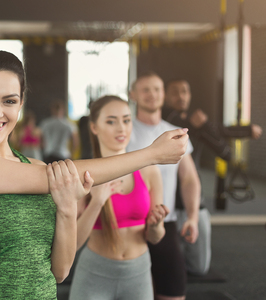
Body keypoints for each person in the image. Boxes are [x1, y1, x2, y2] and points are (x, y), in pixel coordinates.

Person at [0, 48, 189, 299]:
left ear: (20, 103)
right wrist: (151, 154)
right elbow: (61, 175)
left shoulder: (38, 167)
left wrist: (66, 208)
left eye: (8, 101)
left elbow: (60, 271)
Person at [69, 95, 169, 300]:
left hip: (138, 273)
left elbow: (155, 237)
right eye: (111, 121)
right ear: (94, 127)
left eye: (126, 120)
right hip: (95, 273)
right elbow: (72, 244)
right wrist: (97, 202)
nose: (121, 128)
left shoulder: (149, 171)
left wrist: (156, 224)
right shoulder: (83, 173)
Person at [164, 79, 263, 276]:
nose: (181, 96)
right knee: (166, 266)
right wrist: (205, 125)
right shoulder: (162, 121)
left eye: (185, 91)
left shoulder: (193, 124)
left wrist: (245, 130)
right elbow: (190, 126)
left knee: (200, 268)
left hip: (193, 201)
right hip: (167, 202)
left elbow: (221, 133)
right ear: (165, 96)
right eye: (175, 92)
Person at [127, 72, 201, 300]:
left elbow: (189, 178)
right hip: (130, 225)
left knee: (174, 292)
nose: (152, 95)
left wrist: (192, 216)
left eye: (157, 89)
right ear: (133, 95)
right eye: (146, 89)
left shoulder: (175, 134)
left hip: (165, 223)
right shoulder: (123, 132)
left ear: (163, 95)